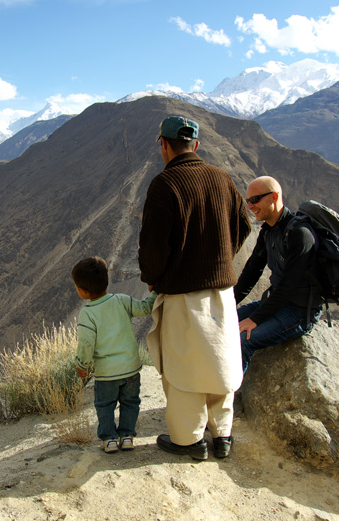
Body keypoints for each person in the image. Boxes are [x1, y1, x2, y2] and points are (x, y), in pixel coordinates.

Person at [139, 116, 252, 460]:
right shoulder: (222, 178)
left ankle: (189, 441)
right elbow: (244, 225)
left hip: (182, 294)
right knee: (220, 361)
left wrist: (153, 278)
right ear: (196, 145)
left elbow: (153, 247)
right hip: (222, 292)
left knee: (185, 367)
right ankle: (222, 436)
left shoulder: (165, 184)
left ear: (164, 144)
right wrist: (221, 259)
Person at [233, 176, 322, 372]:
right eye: (248, 201)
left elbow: (288, 286)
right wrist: (226, 306)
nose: (250, 206)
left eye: (255, 200)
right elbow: (251, 272)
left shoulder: (300, 233)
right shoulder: (268, 232)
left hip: (299, 312)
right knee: (224, 324)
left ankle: (227, 400)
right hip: (278, 303)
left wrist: (254, 319)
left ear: (274, 197)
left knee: (244, 339)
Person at [72, 256, 158, 454]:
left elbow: (86, 345)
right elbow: (145, 308)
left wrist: (82, 366)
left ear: (82, 291)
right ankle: (127, 436)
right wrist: (156, 292)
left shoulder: (88, 314)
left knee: (105, 405)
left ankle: (109, 438)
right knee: (131, 403)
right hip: (130, 370)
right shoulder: (122, 300)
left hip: (106, 374)